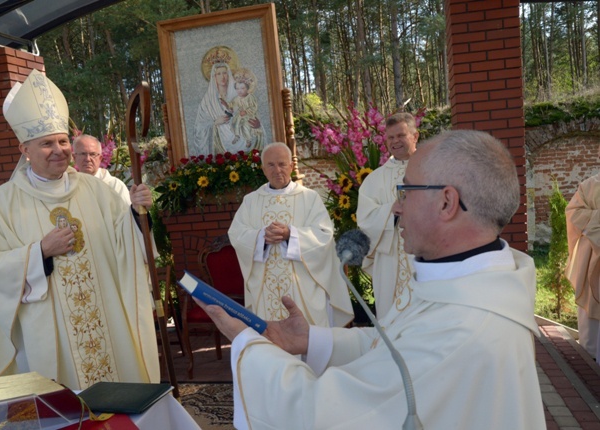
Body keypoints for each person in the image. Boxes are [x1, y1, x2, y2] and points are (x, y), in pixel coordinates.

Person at [200, 130, 545, 429]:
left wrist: (246, 341)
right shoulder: (478, 282)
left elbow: (318, 413)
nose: (398, 206)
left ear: (447, 203)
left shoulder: (460, 330)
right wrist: (315, 341)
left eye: (406, 190)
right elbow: (395, 347)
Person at [0, 69, 160, 390]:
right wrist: (39, 252)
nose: (59, 150)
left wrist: (138, 214)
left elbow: (125, 245)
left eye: (62, 141)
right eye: (46, 144)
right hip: (46, 331)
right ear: (24, 151)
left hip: (104, 321)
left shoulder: (96, 190)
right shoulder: (1, 204)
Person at [228, 142, 353, 328]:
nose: (277, 170)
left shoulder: (309, 198)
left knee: (307, 343)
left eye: (282, 164)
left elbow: (324, 235)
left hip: (302, 286)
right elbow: (236, 234)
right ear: (263, 169)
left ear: (291, 166)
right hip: (266, 288)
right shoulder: (251, 201)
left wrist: (291, 234)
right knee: (272, 343)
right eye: (270, 165)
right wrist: (261, 236)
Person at [356, 112, 419, 318]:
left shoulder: (432, 170)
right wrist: (389, 212)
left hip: (424, 257)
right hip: (390, 262)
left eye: (401, 135)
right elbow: (364, 222)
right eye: (391, 137)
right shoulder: (374, 180)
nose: (395, 141)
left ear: (415, 136)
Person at [565, 155, 600, 362]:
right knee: (590, 316)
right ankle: (590, 362)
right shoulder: (589, 186)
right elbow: (573, 213)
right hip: (591, 261)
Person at [72, 134, 131, 204]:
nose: (87, 159)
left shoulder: (115, 186)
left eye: (92, 154)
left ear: (100, 158)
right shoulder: (70, 187)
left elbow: (127, 213)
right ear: (74, 158)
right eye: (83, 154)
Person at [220, 68, 264, 151]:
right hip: (239, 116)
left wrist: (246, 111)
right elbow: (232, 106)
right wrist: (225, 103)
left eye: (242, 88)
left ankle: (248, 140)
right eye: (237, 89)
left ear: (247, 88)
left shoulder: (250, 97)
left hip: (248, 116)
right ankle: (237, 135)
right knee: (235, 124)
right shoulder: (236, 98)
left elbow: (254, 107)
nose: (239, 91)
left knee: (245, 127)